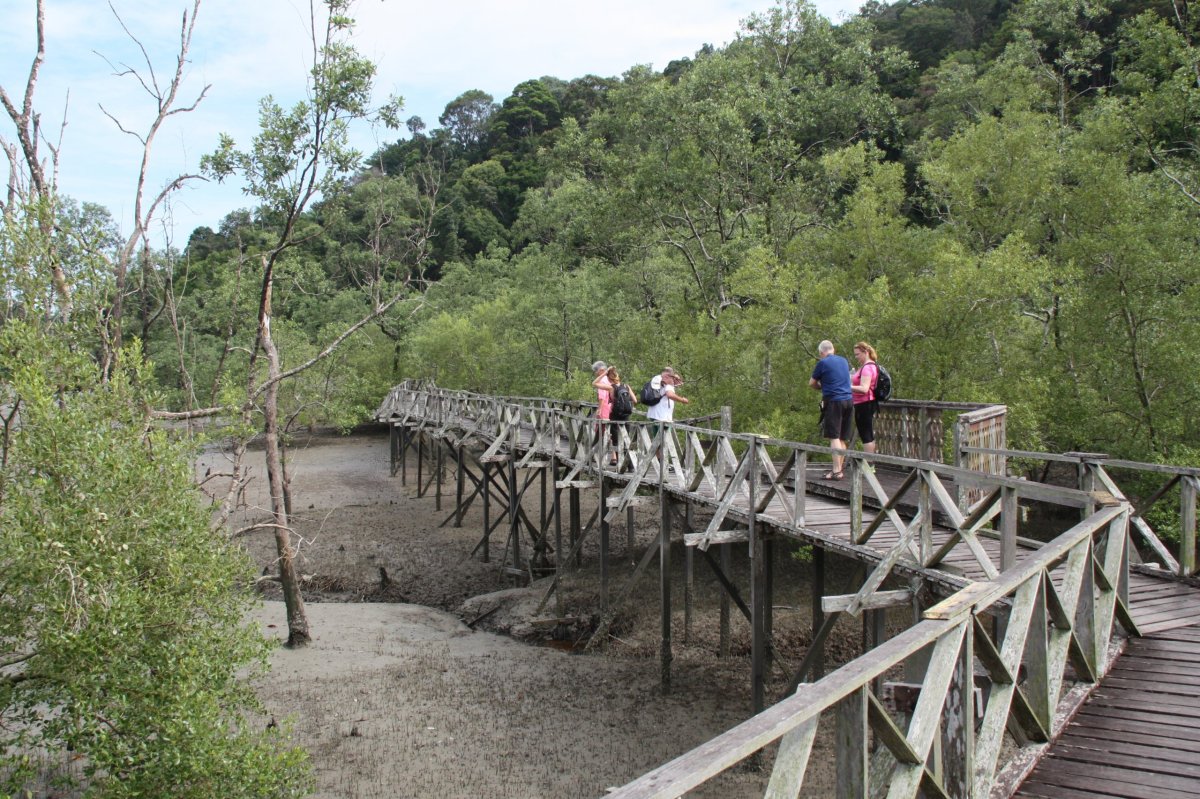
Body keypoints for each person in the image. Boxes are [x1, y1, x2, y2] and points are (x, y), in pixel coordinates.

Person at [809, 340, 853, 480]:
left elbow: (812, 383)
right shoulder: (844, 361)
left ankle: (836, 471)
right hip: (849, 401)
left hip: (834, 401)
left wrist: (822, 386)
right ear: (833, 349)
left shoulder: (822, 363)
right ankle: (839, 469)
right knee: (842, 437)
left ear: (822, 353)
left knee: (834, 436)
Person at [850, 341, 880, 454]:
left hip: (864, 403)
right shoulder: (872, 365)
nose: (856, 357)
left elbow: (864, 388)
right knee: (866, 433)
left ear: (865, 352)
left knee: (866, 434)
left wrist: (848, 387)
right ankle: (869, 463)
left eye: (858, 354)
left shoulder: (867, 368)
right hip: (866, 403)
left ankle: (869, 463)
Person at [606, 367, 636, 466]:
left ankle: (622, 464)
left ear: (609, 378)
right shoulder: (626, 386)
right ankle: (631, 466)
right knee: (626, 440)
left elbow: (611, 401)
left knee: (616, 441)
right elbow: (635, 400)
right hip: (626, 416)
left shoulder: (611, 387)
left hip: (615, 416)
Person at [646, 366, 689, 432]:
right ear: (669, 376)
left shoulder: (657, 381)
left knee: (657, 440)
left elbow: (680, 383)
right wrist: (682, 400)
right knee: (665, 440)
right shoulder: (668, 386)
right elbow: (670, 395)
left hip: (654, 415)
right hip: (662, 417)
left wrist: (676, 378)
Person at [591, 360, 612, 449]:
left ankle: (592, 454)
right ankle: (613, 456)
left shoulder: (602, 380)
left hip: (605, 409)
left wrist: (599, 409)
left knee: (601, 431)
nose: (595, 373)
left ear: (601, 370)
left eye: (596, 371)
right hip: (611, 408)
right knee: (607, 431)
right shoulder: (610, 379)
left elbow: (602, 396)